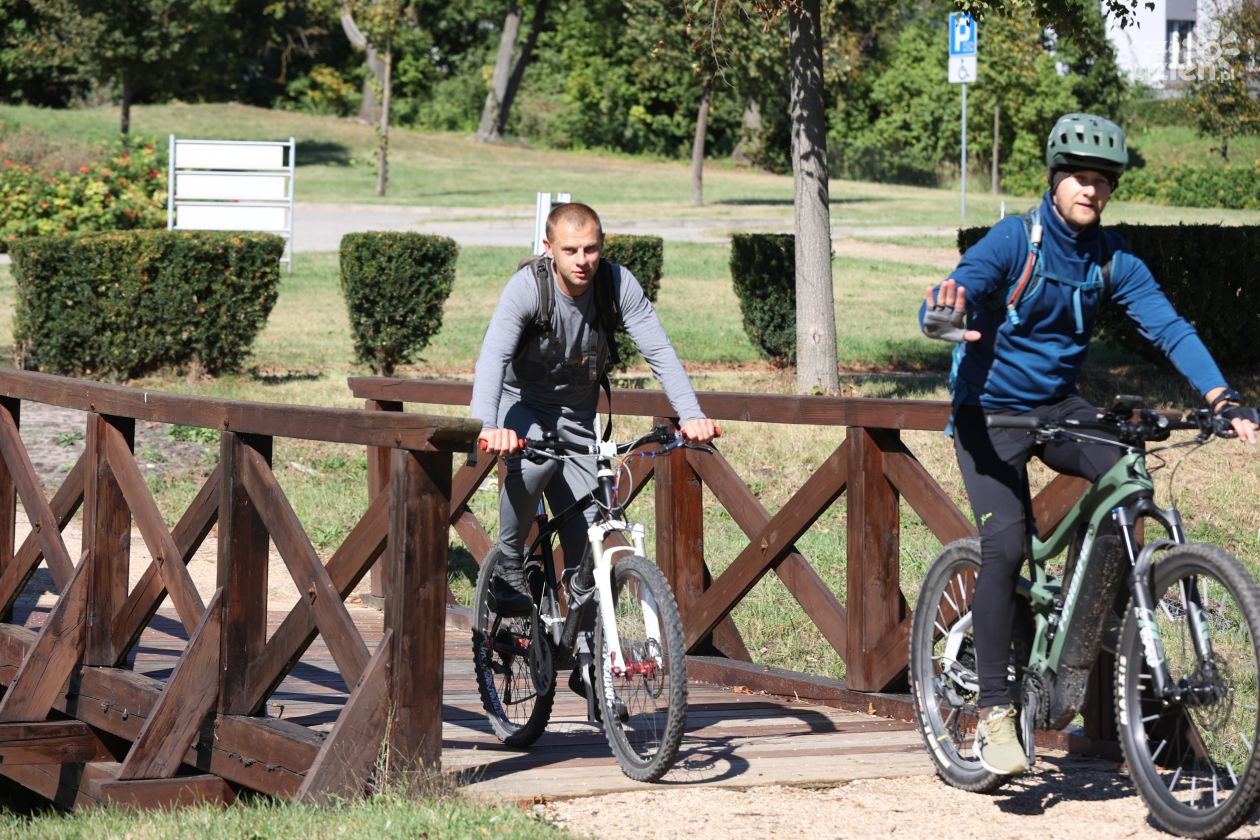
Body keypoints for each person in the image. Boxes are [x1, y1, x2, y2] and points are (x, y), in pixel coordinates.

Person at [919, 113, 1258, 776]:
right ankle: (995, 712)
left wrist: (1221, 396)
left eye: (1102, 180)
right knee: (1006, 546)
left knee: (1127, 471)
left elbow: (1169, 327)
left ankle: (1084, 609)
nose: (1091, 189)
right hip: (989, 413)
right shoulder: (1017, 240)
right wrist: (941, 315)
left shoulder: (1110, 258)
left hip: (1058, 405)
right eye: (1078, 176)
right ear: (1055, 179)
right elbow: (958, 287)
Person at [471, 202, 717, 697]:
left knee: (592, 538)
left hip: (580, 417)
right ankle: (511, 562)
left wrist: (691, 414)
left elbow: (659, 350)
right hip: (523, 407)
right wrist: (487, 426)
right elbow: (494, 355)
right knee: (534, 463)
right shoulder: (528, 288)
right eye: (570, 250)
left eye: (590, 249)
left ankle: (587, 661)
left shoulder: (616, 284)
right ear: (549, 249)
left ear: (602, 246)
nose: (582, 260)